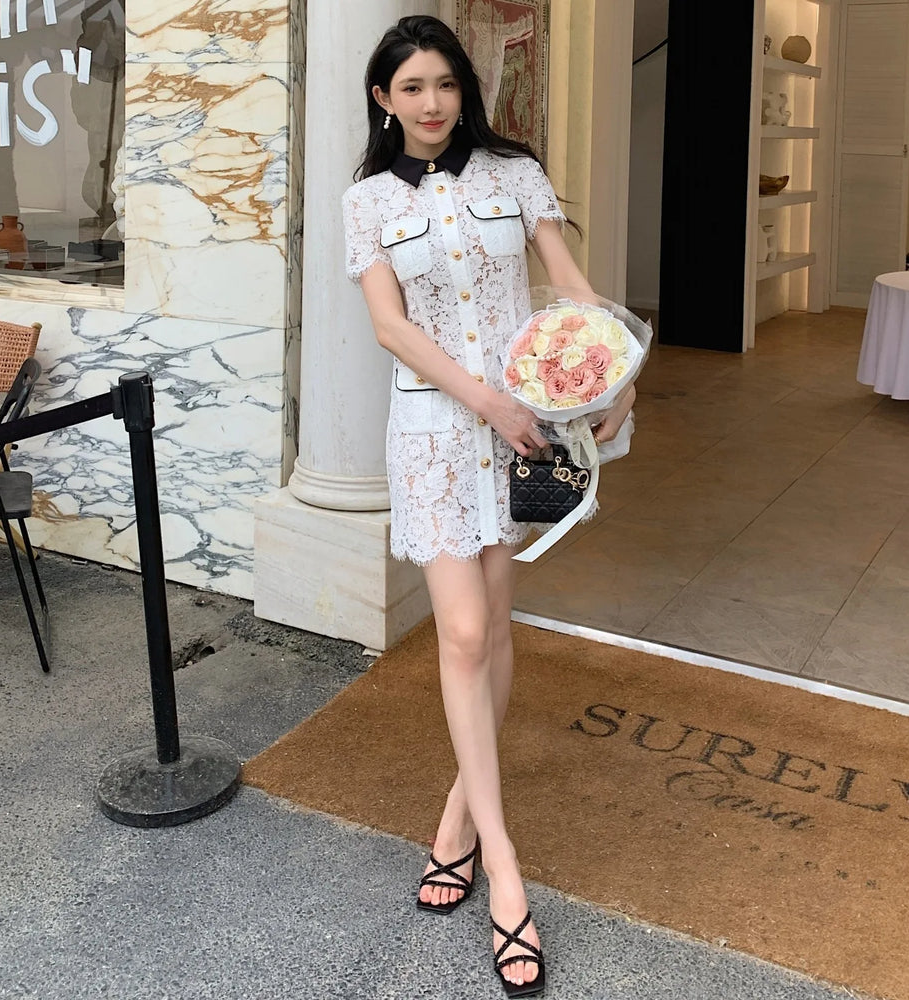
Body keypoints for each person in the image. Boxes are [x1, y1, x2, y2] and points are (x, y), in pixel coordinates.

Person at [342, 15, 635, 997]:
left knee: (497, 627)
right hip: (437, 430)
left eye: (445, 85)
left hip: (527, 423)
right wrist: (489, 404)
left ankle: (459, 819)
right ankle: (505, 870)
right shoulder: (367, 201)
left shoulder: (514, 176)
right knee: (460, 633)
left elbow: (571, 288)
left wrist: (608, 372)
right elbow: (390, 325)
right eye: (411, 88)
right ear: (383, 99)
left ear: (465, 90)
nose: (431, 104)